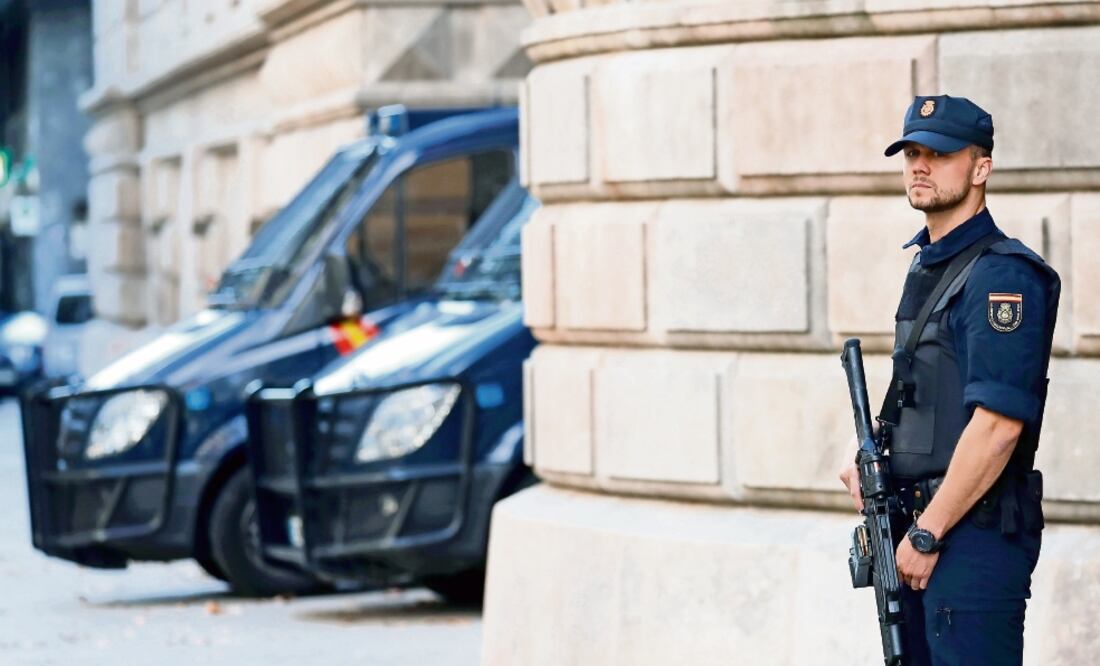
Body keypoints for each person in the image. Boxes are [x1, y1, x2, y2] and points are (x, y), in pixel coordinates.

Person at [838, 95, 1060, 665]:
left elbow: (998, 427)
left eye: (938, 154)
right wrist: (874, 454)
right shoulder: (929, 264)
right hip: (917, 530)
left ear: (980, 167)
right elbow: (920, 386)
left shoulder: (1001, 277)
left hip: (969, 539)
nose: (920, 165)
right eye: (912, 152)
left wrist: (928, 534)